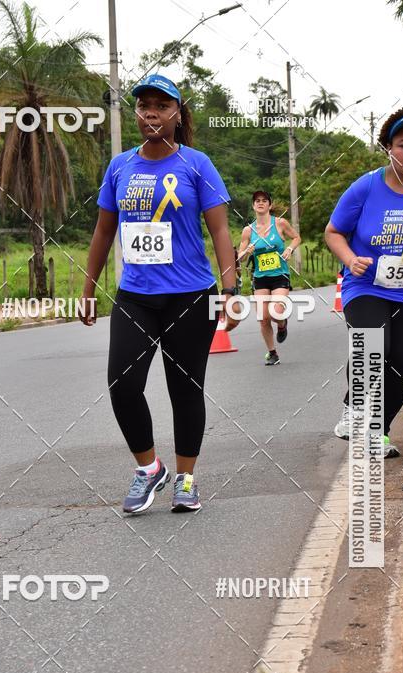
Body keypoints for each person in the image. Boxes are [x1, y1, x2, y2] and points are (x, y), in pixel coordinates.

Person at [78, 73, 236, 514]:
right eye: (144, 105)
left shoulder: (197, 164)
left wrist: (229, 288)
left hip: (192, 296)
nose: (151, 113)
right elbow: (103, 231)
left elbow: (220, 230)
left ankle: (186, 479)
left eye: (161, 106)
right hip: (136, 296)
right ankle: (149, 468)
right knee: (122, 384)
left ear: (177, 115)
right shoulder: (120, 166)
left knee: (185, 388)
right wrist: (88, 288)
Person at [325, 108, 403, 458]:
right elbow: (333, 232)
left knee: (399, 365)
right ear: (388, 148)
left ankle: (377, 432)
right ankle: (355, 410)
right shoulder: (366, 187)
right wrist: (350, 259)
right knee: (372, 347)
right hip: (365, 285)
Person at [237, 191, 301, 365]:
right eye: (257, 201)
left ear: (270, 205)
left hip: (280, 275)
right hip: (260, 278)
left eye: (264, 200)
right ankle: (272, 353)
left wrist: (289, 249)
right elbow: (240, 258)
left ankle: (282, 324)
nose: (260, 203)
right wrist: (246, 252)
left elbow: (296, 238)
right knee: (263, 318)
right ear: (253, 206)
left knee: (275, 312)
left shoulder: (280, 223)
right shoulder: (248, 231)